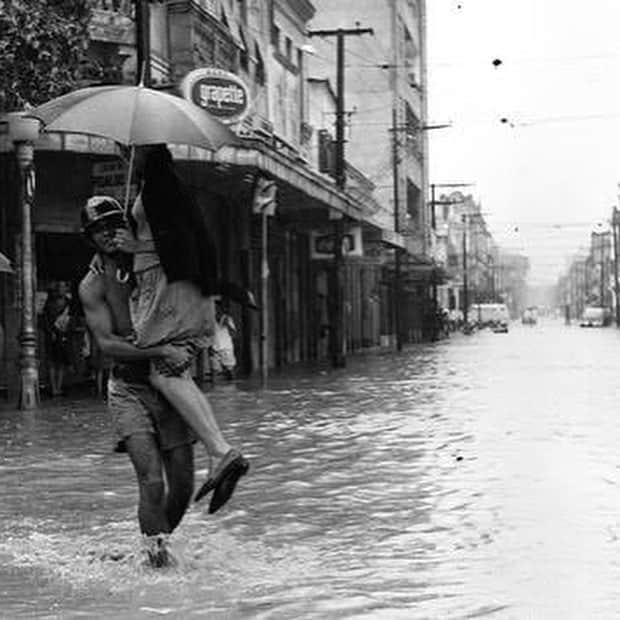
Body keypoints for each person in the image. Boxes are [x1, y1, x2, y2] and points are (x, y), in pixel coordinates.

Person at [112, 144, 249, 511]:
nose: (123, 152)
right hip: (169, 287)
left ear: (144, 149)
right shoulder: (154, 185)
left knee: (165, 373)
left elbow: (178, 243)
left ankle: (220, 451)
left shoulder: (161, 185)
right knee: (172, 371)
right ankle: (220, 451)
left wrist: (135, 243)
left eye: (129, 147)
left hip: (170, 290)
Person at [79, 196, 197, 568]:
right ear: (90, 238)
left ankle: (154, 548)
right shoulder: (92, 285)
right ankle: (159, 564)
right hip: (128, 388)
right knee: (152, 482)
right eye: (99, 229)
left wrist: (143, 252)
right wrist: (158, 350)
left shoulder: (152, 263)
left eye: (115, 224)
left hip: (172, 383)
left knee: (183, 484)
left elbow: (191, 263)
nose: (109, 233)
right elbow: (108, 344)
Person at [41, 282, 73, 396]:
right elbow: (45, 319)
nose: (62, 289)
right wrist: (50, 332)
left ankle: (58, 387)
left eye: (64, 287)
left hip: (63, 335)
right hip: (51, 335)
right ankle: (53, 387)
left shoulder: (69, 303)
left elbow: (72, 318)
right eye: (60, 287)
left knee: (61, 362)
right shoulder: (50, 303)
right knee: (51, 362)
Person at [210, 300, 237, 381]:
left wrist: (227, 324)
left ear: (221, 308)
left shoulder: (227, 318)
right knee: (214, 371)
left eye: (216, 307)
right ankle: (214, 392)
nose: (214, 309)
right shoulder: (209, 318)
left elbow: (234, 333)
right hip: (214, 347)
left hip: (226, 348)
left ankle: (233, 389)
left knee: (230, 370)